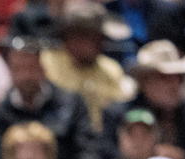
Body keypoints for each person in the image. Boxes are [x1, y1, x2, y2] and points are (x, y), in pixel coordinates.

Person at [99, 40, 185, 159]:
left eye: (178, 77)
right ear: (144, 82)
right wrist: (143, 156)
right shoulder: (118, 115)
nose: (174, 85)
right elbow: (104, 156)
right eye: (164, 77)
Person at [0, 37, 94, 159]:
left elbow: (86, 151)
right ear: (9, 71)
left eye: (31, 68)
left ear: (43, 69)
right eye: (18, 68)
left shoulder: (72, 103)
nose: (26, 76)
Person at [42, 1, 133, 132]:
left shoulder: (110, 68)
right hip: (61, 135)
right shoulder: (48, 62)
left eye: (100, 38)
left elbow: (119, 113)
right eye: (89, 37)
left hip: (102, 139)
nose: (99, 43)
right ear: (69, 36)